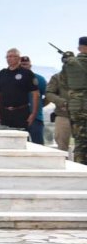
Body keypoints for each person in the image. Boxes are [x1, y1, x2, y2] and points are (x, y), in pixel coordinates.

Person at [0, 48, 40, 133]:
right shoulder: (2, 73)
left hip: (21, 113)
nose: (9, 59)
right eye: (7, 57)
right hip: (4, 113)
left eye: (12, 56)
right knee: (5, 138)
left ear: (19, 58)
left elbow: (36, 94)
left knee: (21, 138)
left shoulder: (27, 73)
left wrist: (33, 113)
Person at [60, 36, 87, 165]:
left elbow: (63, 83)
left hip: (76, 106)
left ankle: (81, 169)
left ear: (79, 48)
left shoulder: (69, 64)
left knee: (80, 141)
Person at [46, 51, 75, 157]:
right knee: (62, 147)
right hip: (63, 115)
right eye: (65, 60)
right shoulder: (57, 77)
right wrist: (61, 102)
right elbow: (49, 93)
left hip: (81, 115)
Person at [19, 55, 47, 144]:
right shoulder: (14, 78)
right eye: (22, 64)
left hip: (36, 117)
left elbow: (48, 96)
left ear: (30, 65)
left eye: (26, 64)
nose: (24, 66)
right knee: (20, 144)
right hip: (18, 117)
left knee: (38, 145)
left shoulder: (39, 79)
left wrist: (40, 105)